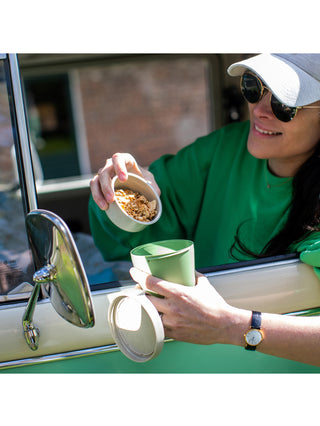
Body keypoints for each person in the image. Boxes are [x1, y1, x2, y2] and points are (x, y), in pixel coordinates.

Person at [89, 54, 320, 367]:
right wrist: (118, 187)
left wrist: (233, 326)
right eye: (254, 87)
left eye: (285, 105)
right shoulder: (226, 148)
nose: (260, 110)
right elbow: (139, 227)